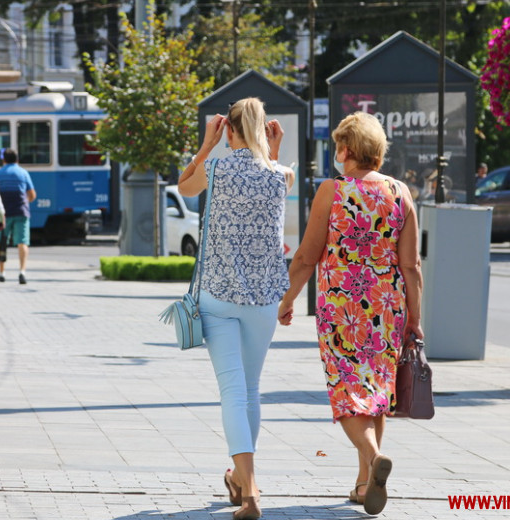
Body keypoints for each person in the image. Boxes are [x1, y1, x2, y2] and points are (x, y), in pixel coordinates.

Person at [277, 112, 424, 515]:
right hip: (386, 308)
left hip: (342, 307)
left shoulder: (333, 190)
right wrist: (415, 318)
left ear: (346, 149)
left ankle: (373, 458)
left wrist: (287, 299)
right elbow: (411, 266)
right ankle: (363, 485)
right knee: (375, 393)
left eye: (338, 145)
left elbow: (307, 256)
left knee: (346, 393)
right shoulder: (401, 192)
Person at [178, 98, 294, 520]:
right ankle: (239, 479)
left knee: (232, 391)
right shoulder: (283, 174)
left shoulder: (216, 168)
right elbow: (275, 190)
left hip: (219, 297)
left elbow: (184, 186)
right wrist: (274, 152)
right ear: (265, 130)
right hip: (264, 301)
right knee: (250, 390)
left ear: (230, 131)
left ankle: (250, 492)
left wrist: (206, 146)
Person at [0, 149, 35, 284]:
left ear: (3, 160)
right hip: (21, 211)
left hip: (3, 213)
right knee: (22, 241)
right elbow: (32, 195)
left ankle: (2, 272)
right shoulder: (23, 173)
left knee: (2, 242)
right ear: (17, 159)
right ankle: (22, 272)